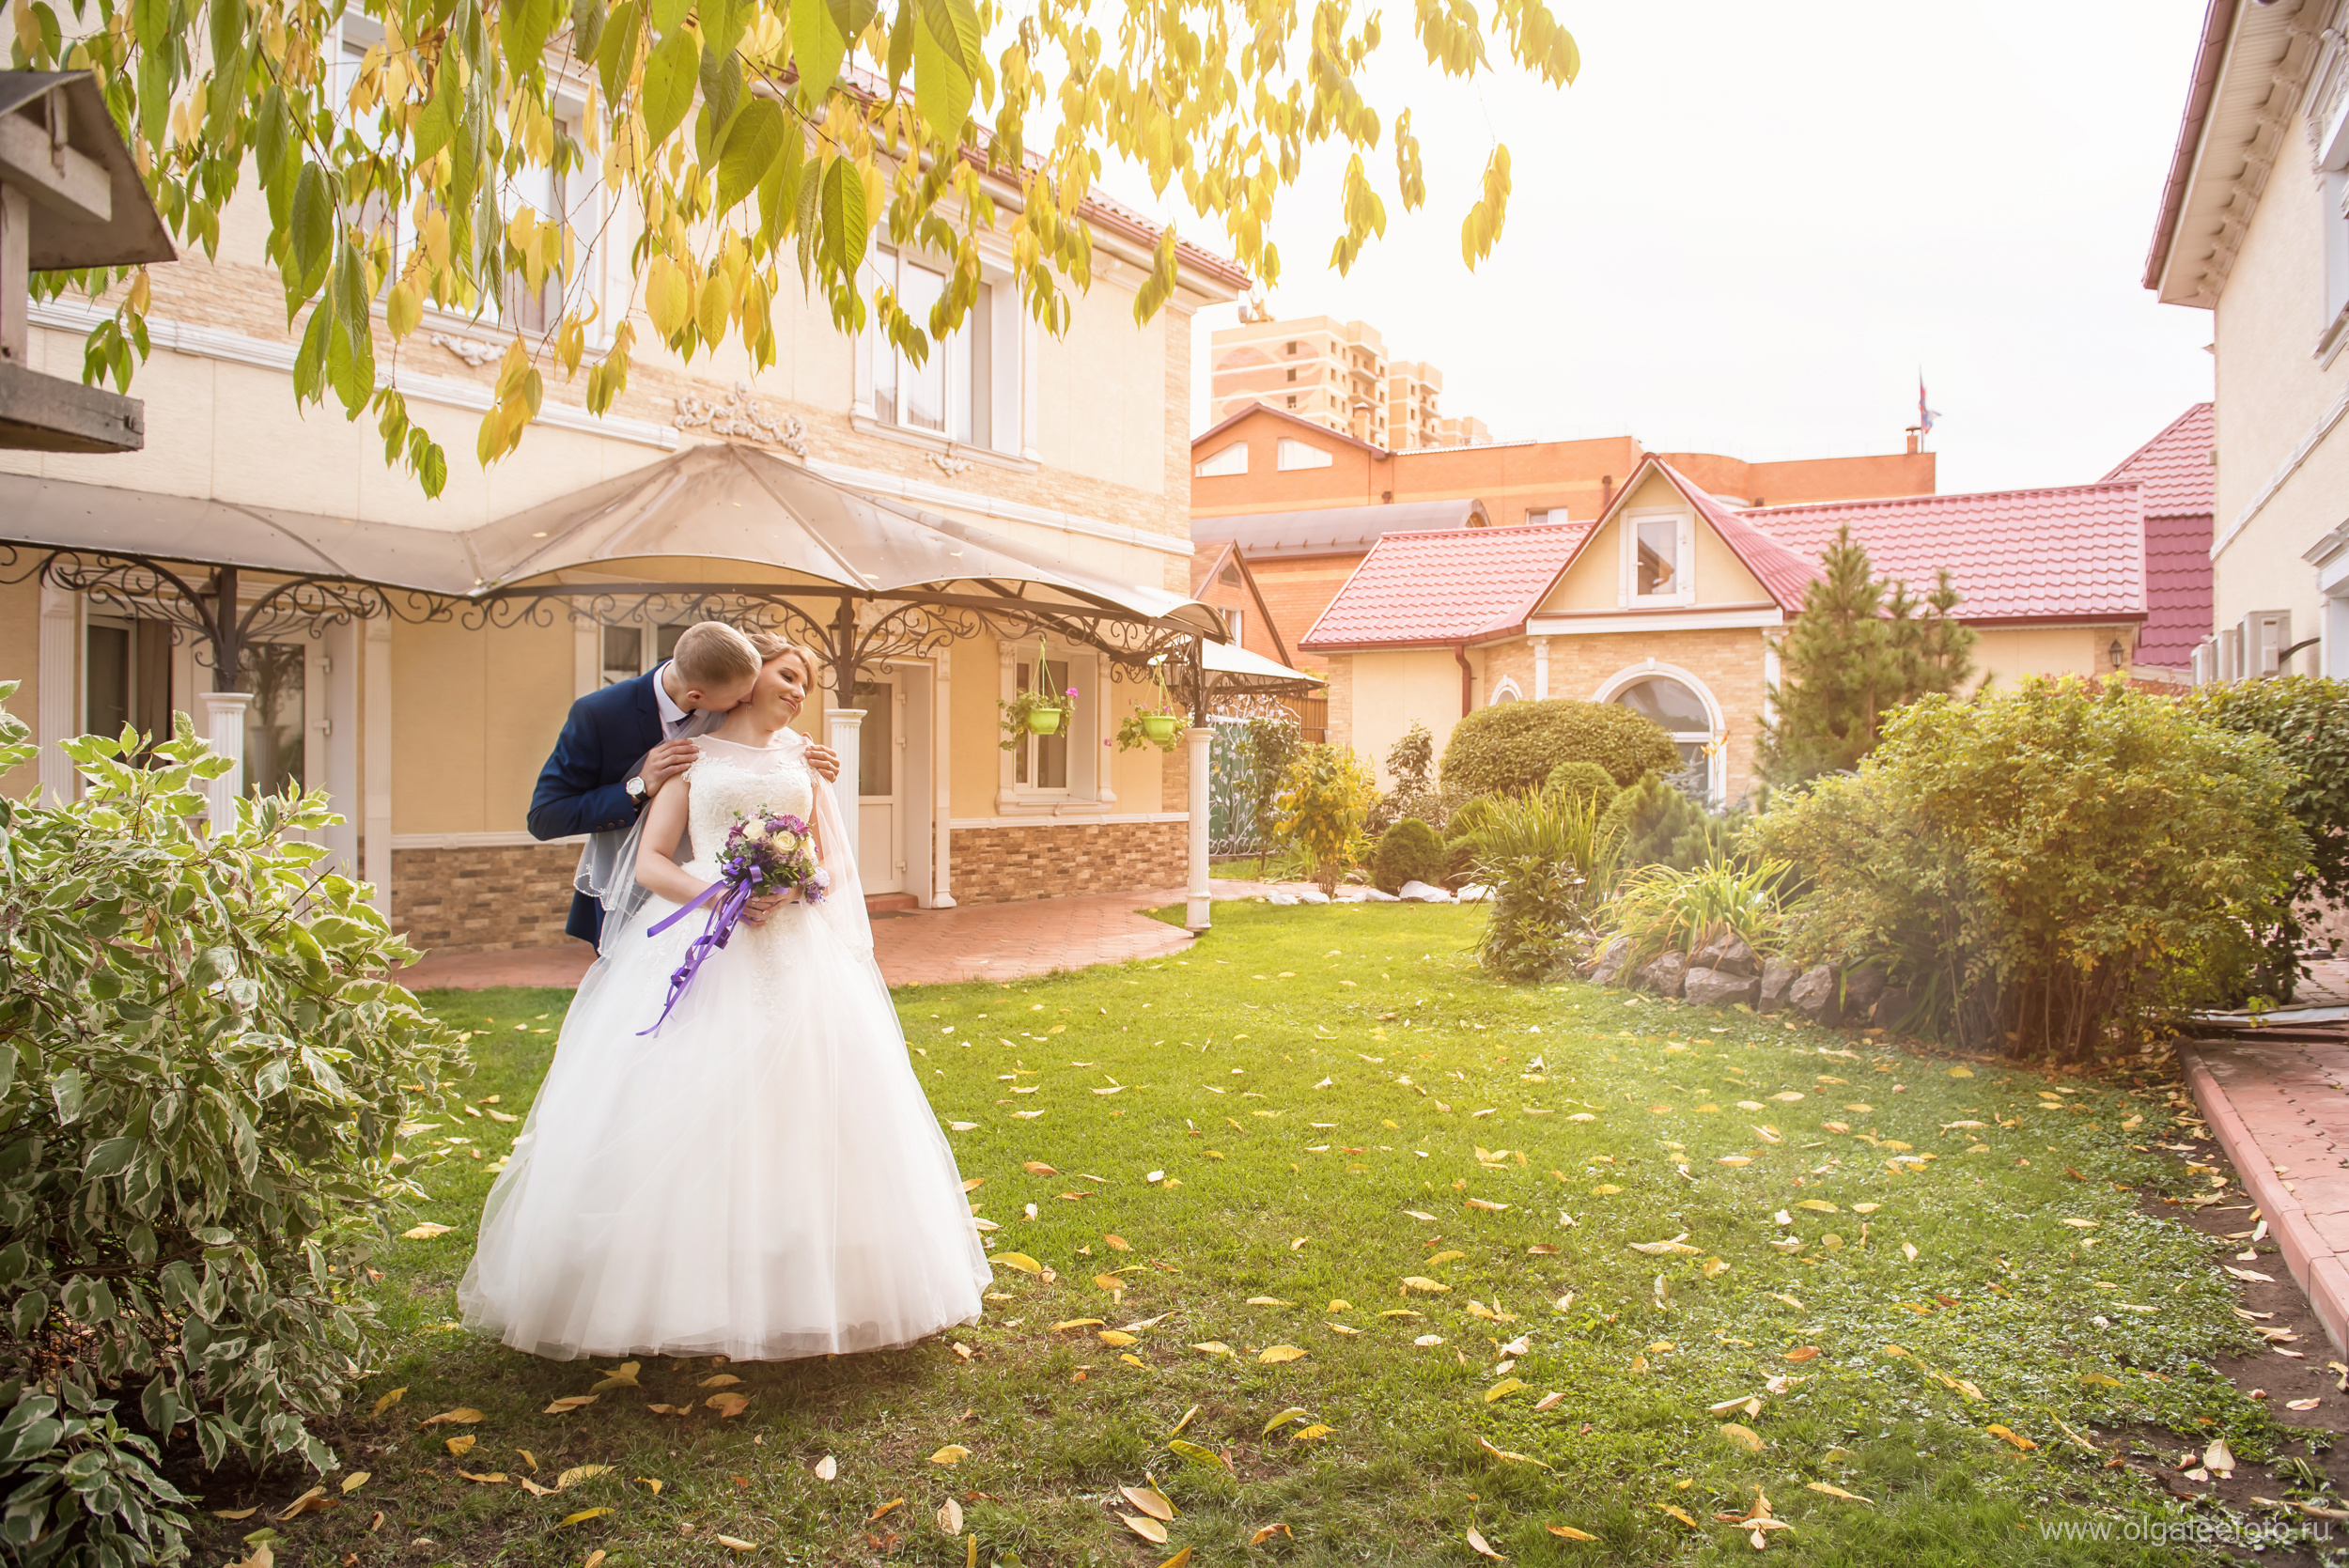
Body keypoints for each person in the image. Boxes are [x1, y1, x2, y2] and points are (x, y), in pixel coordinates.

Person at [459, 633, 991, 1359]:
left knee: (807, 1090)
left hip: (794, 942)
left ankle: (807, 1263)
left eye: (807, 683)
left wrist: (797, 885)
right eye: (788, 674)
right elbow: (651, 861)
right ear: (747, 679)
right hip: (702, 934)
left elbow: (837, 857)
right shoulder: (688, 758)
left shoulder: (807, 762)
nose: (798, 690)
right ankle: (673, 1270)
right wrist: (720, 897)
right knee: (684, 1090)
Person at [526, 622, 839, 950]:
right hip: (637, 892)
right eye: (741, 695)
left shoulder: (728, 685)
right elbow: (545, 816)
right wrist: (639, 787)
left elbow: (764, 746)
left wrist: (814, 764)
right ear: (697, 697)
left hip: (754, 899)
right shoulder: (600, 714)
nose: (746, 697)